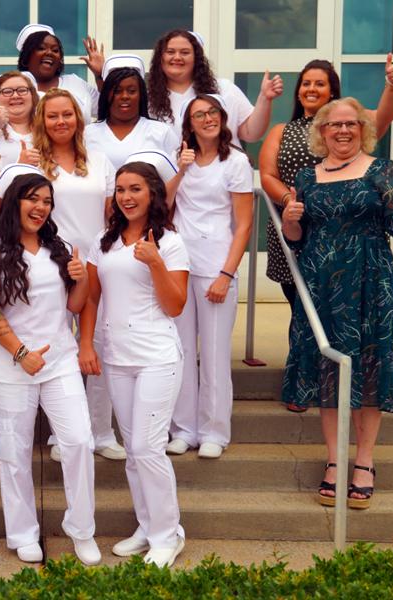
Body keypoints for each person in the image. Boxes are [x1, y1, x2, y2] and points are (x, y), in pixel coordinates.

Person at [281, 98, 393, 509]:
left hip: (370, 279)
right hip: (320, 283)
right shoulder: (306, 177)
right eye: (334, 124)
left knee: (370, 363)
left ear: (363, 129)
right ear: (321, 131)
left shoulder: (384, 171)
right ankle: (335, 460)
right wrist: (289, 217)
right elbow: (295, 237)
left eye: (351, 124)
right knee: (328, 367)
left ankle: (364, 461)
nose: (343, 131)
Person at [0, 170, 100, 566]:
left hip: (60, 360)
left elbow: (75, 306)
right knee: (13, 452)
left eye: (46, 200)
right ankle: (23, 533)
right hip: (12, 365)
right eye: (32, 198)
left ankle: (81, 529)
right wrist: (20, 352)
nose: (40, 207)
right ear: (15, 202)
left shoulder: (59, 246)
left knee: (79, 441)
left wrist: (80, 280)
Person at [79, 160, 190, 567]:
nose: (126, 197)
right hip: (116, 357)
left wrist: (156, 261)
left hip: (157, 356)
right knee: (133, 450)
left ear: (153, 194)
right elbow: (91, 297)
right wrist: (86, 344)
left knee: (147, 447)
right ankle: (147, 526)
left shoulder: (170, 242)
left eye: (135, 189)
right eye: (121, 189)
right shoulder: (102, 242)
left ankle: (168, 534)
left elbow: (176, 305)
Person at [259, 57, 393, 312]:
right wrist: (289, 201)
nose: (311, 88)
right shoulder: (282, 130)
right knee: (300, 305)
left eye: (319, 84)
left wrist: (392, 86)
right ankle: (307, 352)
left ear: (332, 91)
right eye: (305, 83)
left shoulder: (347, 126)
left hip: (338, 228)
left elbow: (384, 116)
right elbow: (268, 175)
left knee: (339, 303)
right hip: (294, 224)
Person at [32, 88, 125, 462]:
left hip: (96, 261)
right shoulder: (33, 161)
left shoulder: (100, 160)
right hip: (50, 262)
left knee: (99, 343)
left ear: (78, 119)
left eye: (67, 114)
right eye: (52, 115)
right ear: (42, 121)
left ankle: (101, 431)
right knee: (59, 346)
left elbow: (111, 214)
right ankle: (61, 434)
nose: (60, 122)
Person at [165, 94, 254, 459]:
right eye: (199, 114)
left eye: (212, 112)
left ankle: (215, 430)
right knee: (181, 351)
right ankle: (183, 428)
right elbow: (163, 206)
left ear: (222, 117)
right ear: (189, 124)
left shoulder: (235, 161)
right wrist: (181, 169)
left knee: (215, 355)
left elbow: (244, 223)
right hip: (181, 267)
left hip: (217, 266)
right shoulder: (180, 160)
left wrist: (226, 273)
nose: (207, 119)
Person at [147, 29, 283, 143]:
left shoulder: (224, 89)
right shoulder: (148, 99)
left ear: (197, 59)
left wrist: (265, 98)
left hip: (225, 172)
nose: (177, 57)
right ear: (160, 58)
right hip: (173, 174)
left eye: (185, 52)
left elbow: (250, 133)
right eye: (170, 52)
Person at [85, 55, 179, 170]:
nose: (125, 96)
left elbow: (175, 175)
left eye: (132, 91)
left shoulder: (162, 132)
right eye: (117, 91)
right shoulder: (87, 134)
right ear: (106, 95)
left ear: (141, 95)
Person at [14, 23, 103, 122]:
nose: (49, 52)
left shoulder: (76, 83)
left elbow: (107, 108)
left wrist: (99, 75)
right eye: (41, 48)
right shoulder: (13, 90)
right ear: (26, 57)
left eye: (55, 50)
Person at [0, 71, 40, 167]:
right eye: (7, 92)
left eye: (22, 90)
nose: (15, 96)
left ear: (33, 96)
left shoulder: (47, 127)